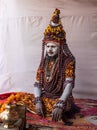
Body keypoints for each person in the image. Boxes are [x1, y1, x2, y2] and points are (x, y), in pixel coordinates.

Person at [33, 8, 79, 122]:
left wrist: (61, 103)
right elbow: (37, 83)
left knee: (62, 110)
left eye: (53, 47)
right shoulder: (44, 61)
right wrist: (38, 100)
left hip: (61, 99)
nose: (49, 49)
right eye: (48, 46)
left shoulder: (68, 61)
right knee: (22, 100)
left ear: (60, 47)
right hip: (45, 97)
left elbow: (69, 84)